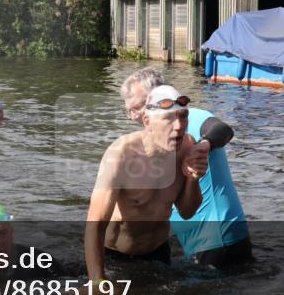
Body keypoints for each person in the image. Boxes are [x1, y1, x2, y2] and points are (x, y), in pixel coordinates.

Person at [121, 68, 251, 269]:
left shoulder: (191, 119)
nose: (133, 115)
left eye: (138, 106)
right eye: (129, 110)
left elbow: (223, 129)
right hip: (199, 242)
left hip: (219, 238)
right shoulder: (152, 140)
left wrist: (202, 146)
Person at [85, 85, 208, 282]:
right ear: (147, 121)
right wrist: (97, 283)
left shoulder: (186, 146)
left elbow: (187, 212)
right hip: (115, 257)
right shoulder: (121, 155)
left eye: (183, 116)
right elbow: (95, 225)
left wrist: (193, 178)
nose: (178, 126)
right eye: (169, 118)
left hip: (159, 253)